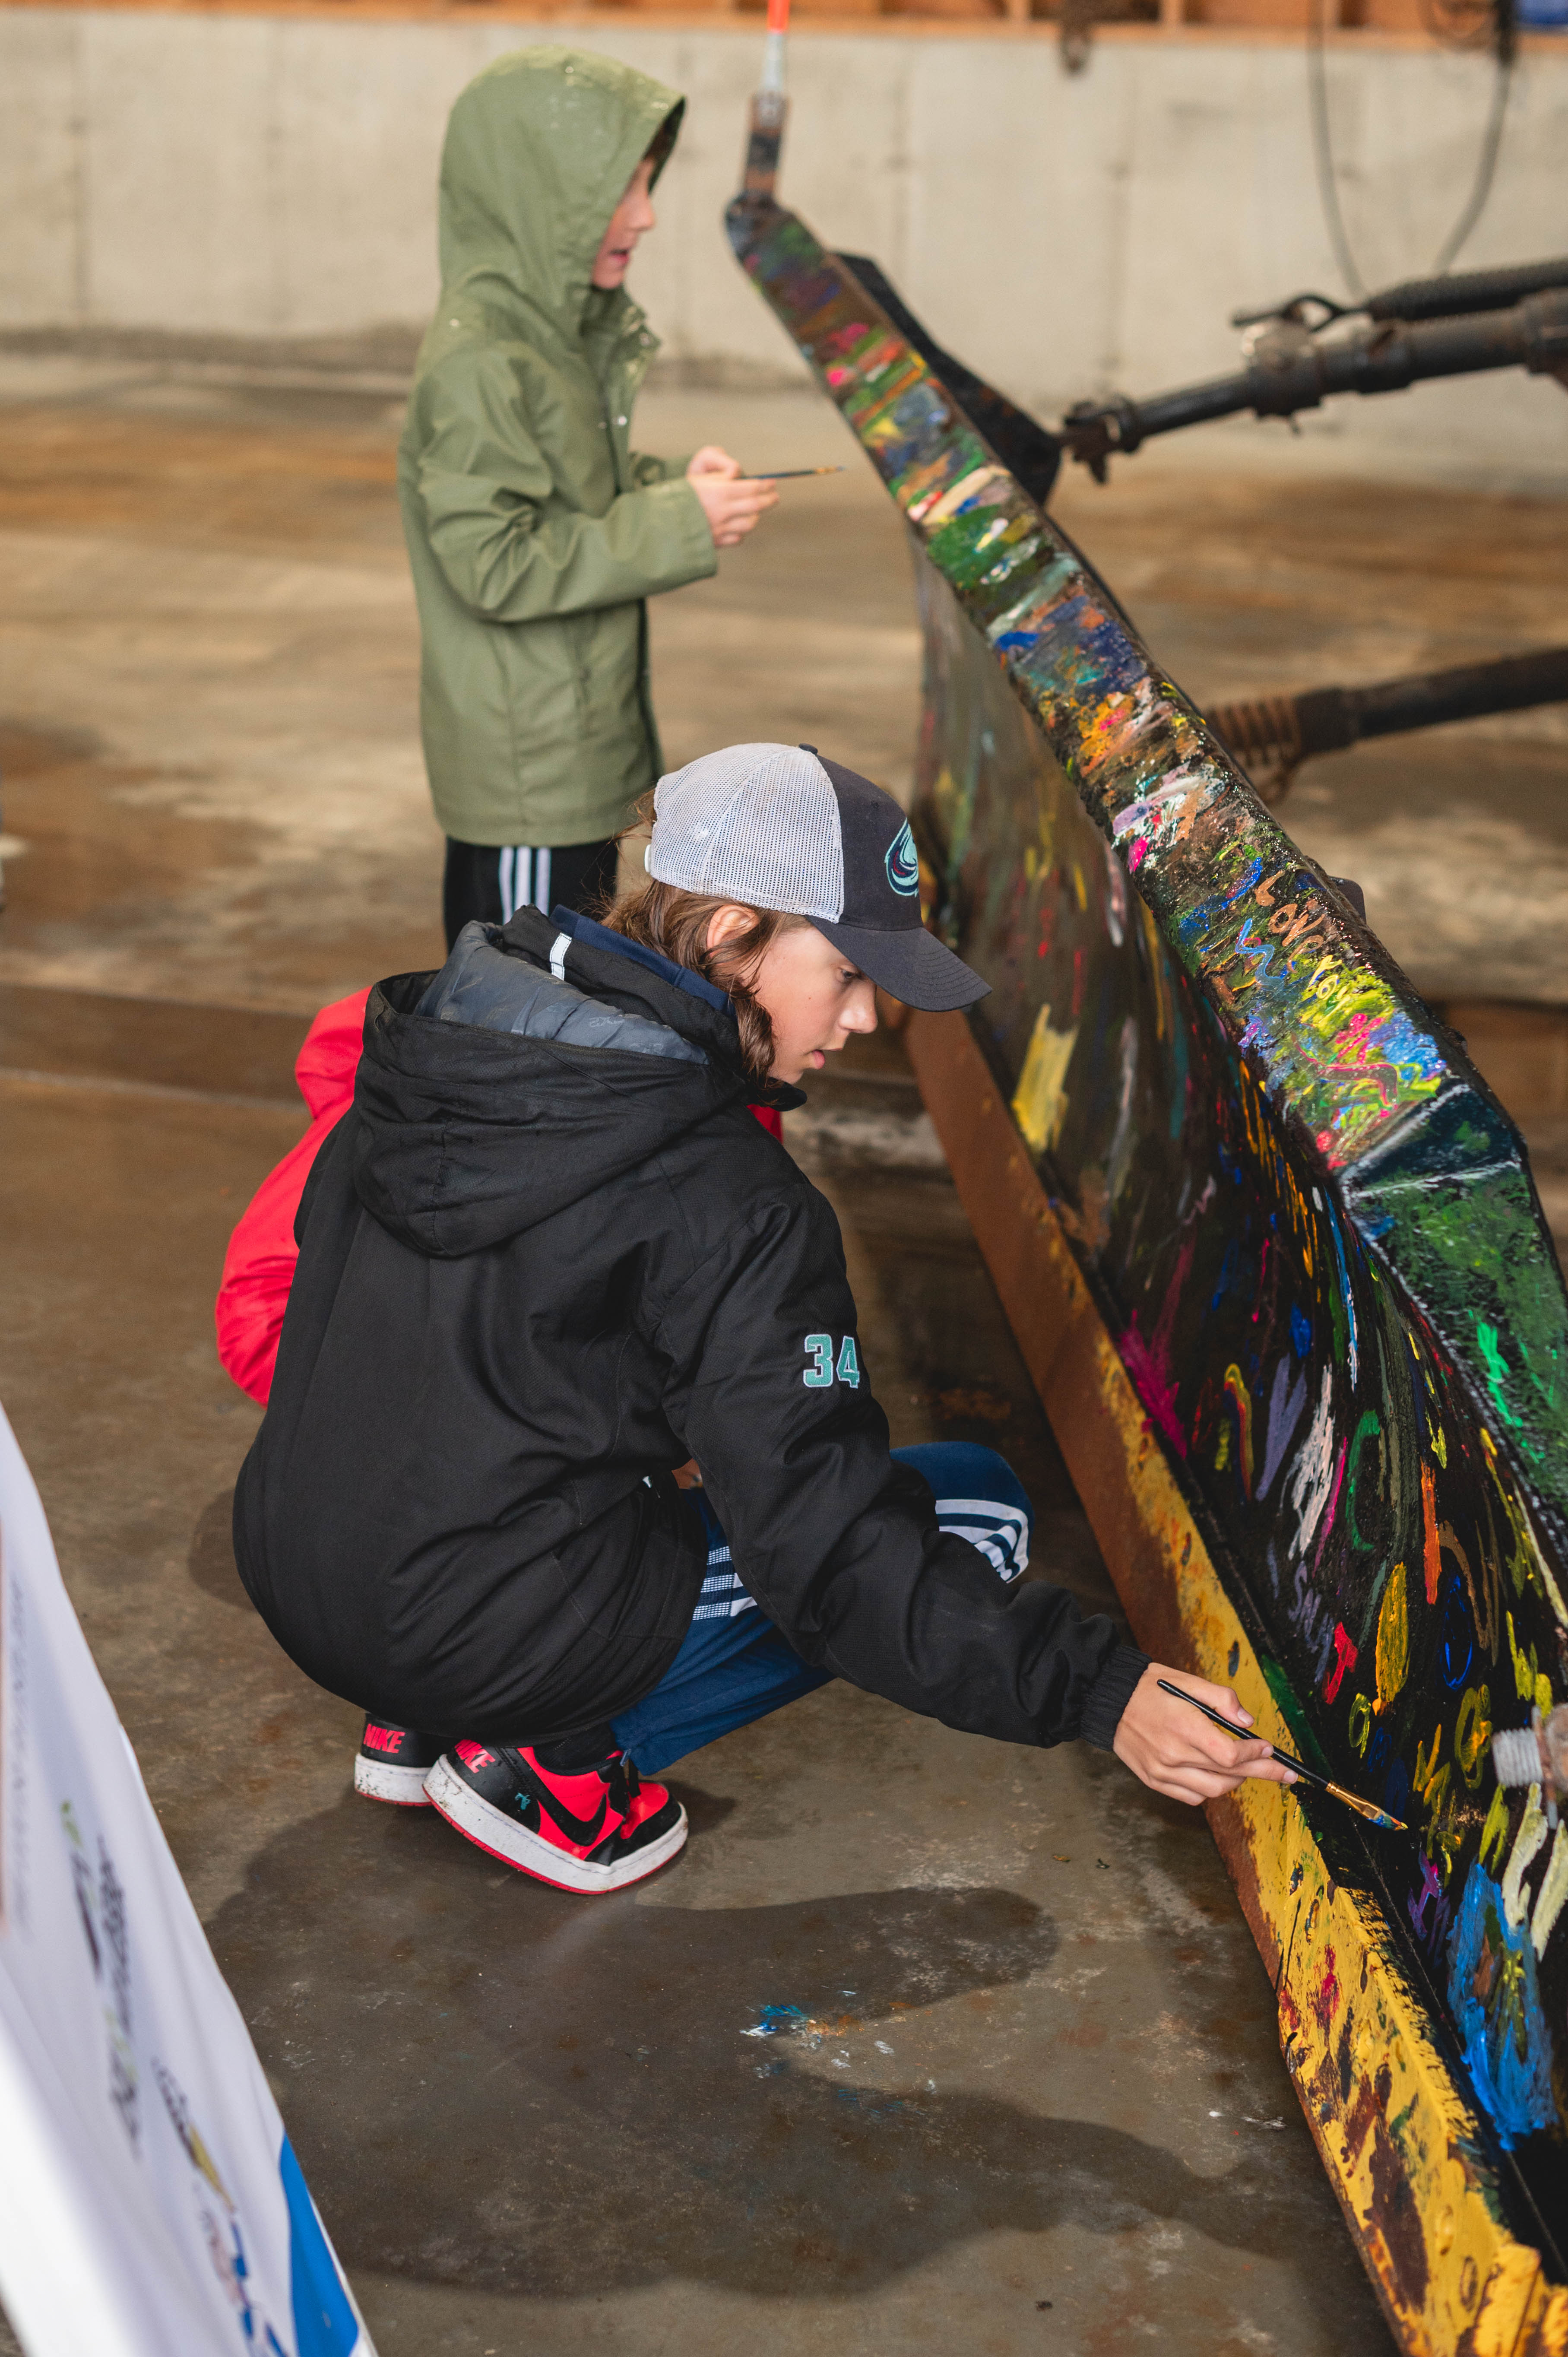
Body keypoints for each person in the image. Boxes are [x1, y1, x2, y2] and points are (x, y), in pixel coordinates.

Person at [233, 742, 1293, 1896]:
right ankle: (546, 1763)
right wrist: (1097, 1686)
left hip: (298, 1570)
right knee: (974, 1509)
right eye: (844, 971)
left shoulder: (444, 1037)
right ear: (735, 928)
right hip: (471, 1624)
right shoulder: (729, 1197)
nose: (869, 1016)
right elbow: (828, 1551)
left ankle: (417, 1715)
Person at [398, 48, 777, 949]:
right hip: (530, 773)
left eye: (647, 186)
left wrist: (672, 485)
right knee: (521, 1008)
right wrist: (676, 523)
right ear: (536, 197)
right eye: (621, 191)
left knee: (565, 995)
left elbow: (573, 490)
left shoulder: (549, 335)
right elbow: (493, 563)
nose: (644, 217)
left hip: (569, 748)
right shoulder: (482, 360)